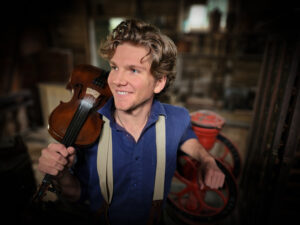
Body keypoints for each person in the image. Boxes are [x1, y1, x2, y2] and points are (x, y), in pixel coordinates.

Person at [37, 19, 225, 225]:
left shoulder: (177, 118)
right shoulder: (87, 129)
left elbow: (186, 137)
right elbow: (76, 195)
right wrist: (61, 174)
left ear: (159, 82)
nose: (116, 80)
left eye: (133, 70)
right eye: (114, 67)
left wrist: (207, 160)